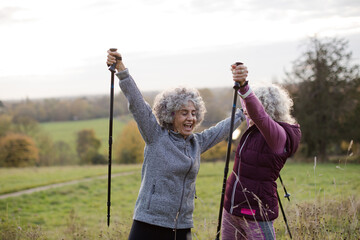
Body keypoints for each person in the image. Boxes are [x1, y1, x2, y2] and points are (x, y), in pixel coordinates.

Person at [107, 50, 246, 240]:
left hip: (182, 226)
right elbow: (137, 104)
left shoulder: (197, 143)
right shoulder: (155, 136)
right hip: (149, 223)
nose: (191, 118)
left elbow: (222, 129)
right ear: (171, 114)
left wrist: (243, 110)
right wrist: (121, 70)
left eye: (193, 112)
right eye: (184, 113)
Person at [221, 63, 301, 240]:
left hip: (257, 213)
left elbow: (259, 115)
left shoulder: (278, 136)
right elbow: (253, 110)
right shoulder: (253, 130)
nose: (246, 113)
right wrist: (239, 81)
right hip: (231, 208)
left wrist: (244, 86)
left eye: (250, 110)